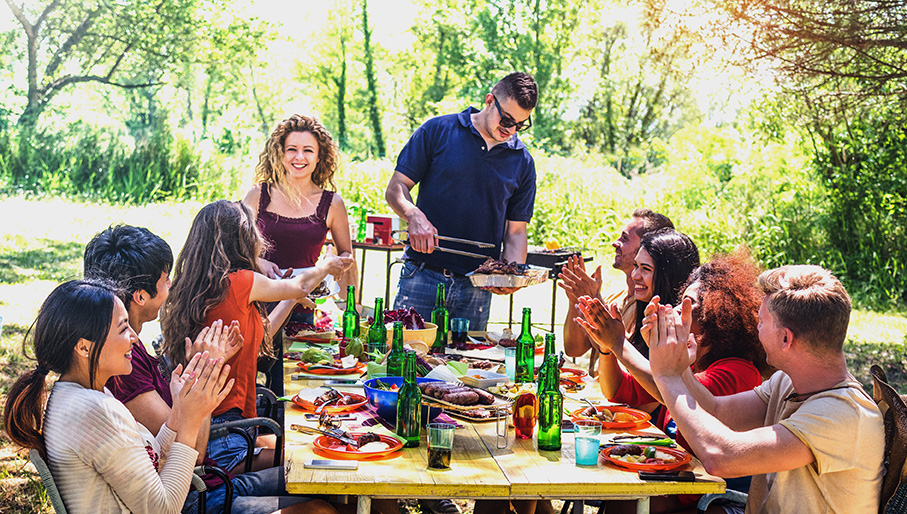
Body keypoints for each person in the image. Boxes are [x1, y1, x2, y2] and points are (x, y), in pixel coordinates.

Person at [84, 225, 335, 514]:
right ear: (141, 296)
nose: (171, 286)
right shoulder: (123, 365)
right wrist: (200, 372)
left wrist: (200, 374)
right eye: (166, 280)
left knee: (323, 478)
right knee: (320, 509)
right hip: (195, 497)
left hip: (210, 482)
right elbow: (193, 454)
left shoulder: (131, 349)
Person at [649, 265, 884, 513]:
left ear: (785, 338)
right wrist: (680, 365)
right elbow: (717, 410)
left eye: (761, 321)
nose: (756, 327)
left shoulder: (842, 415)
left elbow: (721, 457)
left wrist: (666, 375)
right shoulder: (788, 382)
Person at [2, 280, 235, 514]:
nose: (134, 337)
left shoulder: (77, 393)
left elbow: (150, 457)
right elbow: (164, 509)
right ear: (84, 348)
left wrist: (179, 414)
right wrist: (192, 423)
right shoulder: (94, 412)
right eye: (123, 328)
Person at [160, 200, 351, 475]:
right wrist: (325, 266)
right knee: (324, 457)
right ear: (242, 237)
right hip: (226, 435)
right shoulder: (240, 281)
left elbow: (261, 339)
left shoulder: (202, 284)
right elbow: (300, 283)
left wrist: (291, 300)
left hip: (221, 427)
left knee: (316, 447)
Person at [576, 250, 772, 514]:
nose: (677, 309)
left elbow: (680, 398)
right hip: (673, 480)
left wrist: (620, 344)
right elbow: (618, 392)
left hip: (709, 495)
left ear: (718, 315)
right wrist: (606, 348)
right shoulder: (688, 360)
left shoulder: (737, 371)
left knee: (622, 507)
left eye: (688, 303)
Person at [385, 72, 539, 331]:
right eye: (507, 119)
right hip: (421, 274)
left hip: (476, 289)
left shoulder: (523, 162)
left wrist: (509, 275)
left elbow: (515, 232)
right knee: (405, 359)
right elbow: (396, 188)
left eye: (520, 124)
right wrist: (414, 215)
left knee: (467, 366)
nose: (510, 129)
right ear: (490, 100)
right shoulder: (438, 130)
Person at [242, 114, 355, 395]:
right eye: (291, 149)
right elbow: (230, 247)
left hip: (301, 308)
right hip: (254, 303)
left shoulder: (332, 202)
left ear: (320, 157)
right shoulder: (258, 195)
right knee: (249, 382)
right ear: (279, 153)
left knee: (292, 387)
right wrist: (258, 260)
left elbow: (346, 255)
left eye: (308, 150)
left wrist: (339, 276)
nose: (299, 157)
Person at [559, 209, 674, 375]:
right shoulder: (615, 299)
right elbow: (574, 349)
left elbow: (629, 365)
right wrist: (575, 299)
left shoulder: (653, 308)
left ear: (647, 247)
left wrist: (594, 298)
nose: (615, 242)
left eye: (624, 238)